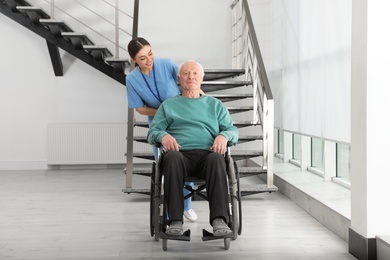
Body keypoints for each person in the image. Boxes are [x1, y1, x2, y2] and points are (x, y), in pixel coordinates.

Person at [147, 60, 239, 236]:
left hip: (208, 154)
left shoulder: (215, 105)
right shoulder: (168, 105)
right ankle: (175, 220)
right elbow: (153, 133)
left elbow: (233, 130)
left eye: (195, 73)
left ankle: (219, 219)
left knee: (217, 159)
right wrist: (163, 136)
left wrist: (223, 135)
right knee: (172, 157)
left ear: (201, 78)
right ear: (179, 78)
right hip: (180, 155)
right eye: (186, 73)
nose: (191, 77)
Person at [125, 37, 197, 222]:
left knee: (186, 159)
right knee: (167, 166)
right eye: (142, 58)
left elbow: (189, 85)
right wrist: (164, 111)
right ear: (133, 60)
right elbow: (139, 108)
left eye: (150, 54)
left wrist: (201, 101)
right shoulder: (131, 80)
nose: (149, 60)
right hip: (158, 124)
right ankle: (171, 207)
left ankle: (186, 206)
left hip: (182, 120)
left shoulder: (167, 65)